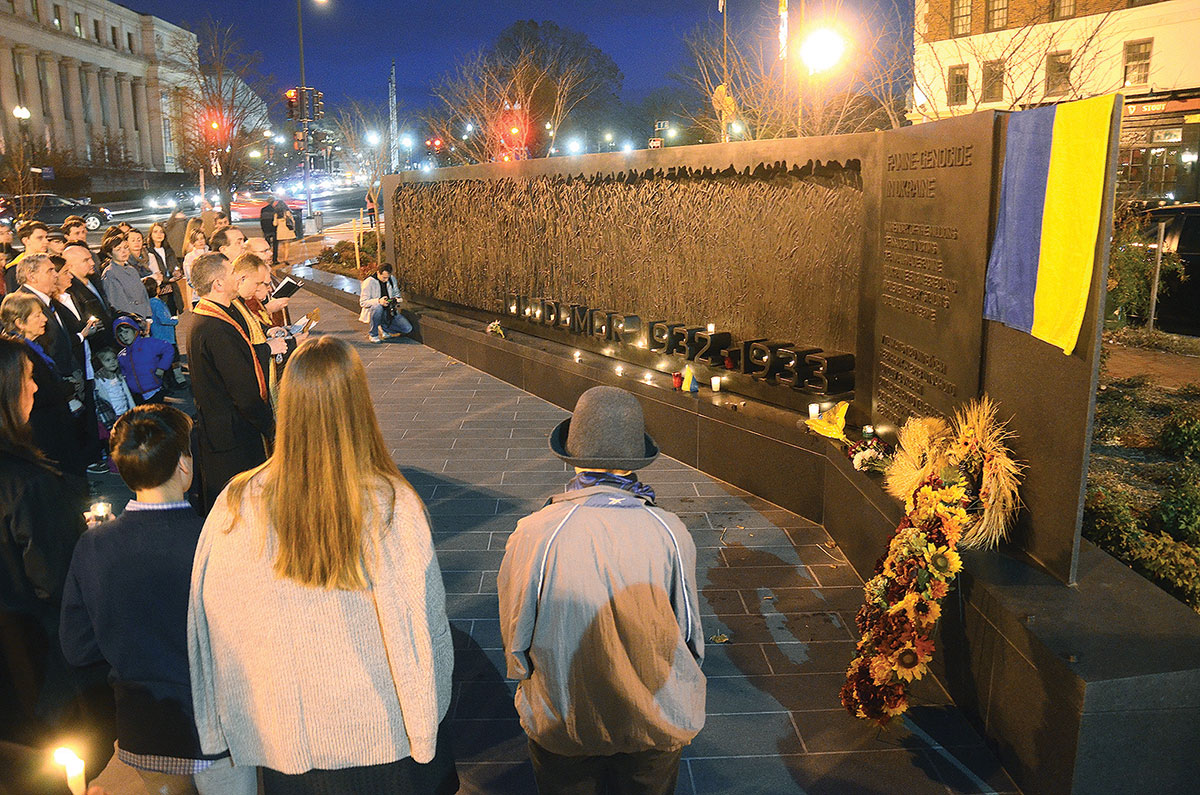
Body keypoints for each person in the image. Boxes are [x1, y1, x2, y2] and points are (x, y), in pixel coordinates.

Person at [188, 336, 458, 794]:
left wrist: (220, 733)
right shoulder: (390, 504)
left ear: (285, 403)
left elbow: (210, 624)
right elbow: (420, 630)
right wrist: (425, 727)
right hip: (382, 738)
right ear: (360, 404)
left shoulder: (236, 502)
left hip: (285, 743)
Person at [498, 386, 706, 795]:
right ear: (635, 462)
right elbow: (690, 637)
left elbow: (515, 634)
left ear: (573, 458)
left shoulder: (536, 532)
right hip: (653, 717)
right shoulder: (670, 531)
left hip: (565, 717)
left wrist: (528, 680)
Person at [59, 404, 257, 795]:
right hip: (217, 731)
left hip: (144, 728)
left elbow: (78, 647)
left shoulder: (94, 546)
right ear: (184, 465)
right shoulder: (215, 540)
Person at [0, 334, 86, 744]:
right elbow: (54, 579)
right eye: (27, 379)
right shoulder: (28, 484)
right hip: (36, 662)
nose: (34, 387)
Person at [187, 252, 285, 513]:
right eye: (232, 272)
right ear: (218, 284)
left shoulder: (214, 316)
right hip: (233, 439)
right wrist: (271, 427)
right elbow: (243, 392)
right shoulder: (215, 327)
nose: (237, 276)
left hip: (224, 432)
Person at [0, 293, 83, 474]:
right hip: (42, 430)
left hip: (53, 424)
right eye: (37, 315)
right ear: (20, 323)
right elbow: (31, 393)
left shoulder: (34, 346)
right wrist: (65, 388)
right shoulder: (17, 356)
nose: (44, 319)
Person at [113, 316, 174, 405]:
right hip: (137, 396)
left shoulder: (148, 343)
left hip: (155, 391)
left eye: (126, 332)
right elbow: (123, 372)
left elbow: (168, 348)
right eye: (120, 335)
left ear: (135, 330)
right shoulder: (121, 355)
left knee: (159, 412)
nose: (124, 337)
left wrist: (161, 368)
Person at [143, 277, 187, 388]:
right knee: (174, 359)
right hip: (166, 336)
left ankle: (167, 382)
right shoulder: (157, 303)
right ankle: (178, 380)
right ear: (156, 289)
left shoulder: (148, 303)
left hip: (157, 336)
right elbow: (163, 319)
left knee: (164, 360)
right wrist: (175, 320)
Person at [100, 237, 152, 320]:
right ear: (110, 254)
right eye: (118, 249)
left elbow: (143, 295)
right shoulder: (110, 274)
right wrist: (135, 320)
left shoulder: (132, 270)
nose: (123, 251)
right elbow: (119, 304)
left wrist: (148, 318)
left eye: (126, 247)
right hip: (129, 321)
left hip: (144, 317)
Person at [359, 263, 412, 343]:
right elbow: (363, 302)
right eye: (384, 277)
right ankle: (373, 334)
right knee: (378, 307)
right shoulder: (369, 282)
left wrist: (396, 299)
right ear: (378, 273)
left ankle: (384, 328)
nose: (386, 280)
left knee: (407, 328)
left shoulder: (392, 279)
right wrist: (379, 301)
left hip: (389, 311)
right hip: (375, 311)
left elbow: (396, 294)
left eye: (388, 277)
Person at [147, 222, 184, 314]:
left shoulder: (169, 250)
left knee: (173, 315)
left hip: (172, 290)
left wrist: (177, 272)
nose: (159, 234)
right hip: (158, 290)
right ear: (151, 235)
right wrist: (167, 280)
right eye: (155, 232)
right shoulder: (148, 252)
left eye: (161, 232)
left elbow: (176, 266)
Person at [6, 221, 50, 294]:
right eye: (40, 238)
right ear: (26, 240)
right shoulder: (14, 269)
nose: (46, 241)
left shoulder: (50, 262)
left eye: (46, 238)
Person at [258, 198, 278, 264]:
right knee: (275, 245)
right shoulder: (275, 210)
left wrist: (263, 228)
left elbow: (262, 220)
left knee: (267, 245)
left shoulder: (263, 209)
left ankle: (267, 259)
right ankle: (275, 259)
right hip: (274, 229)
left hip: (266, 229)